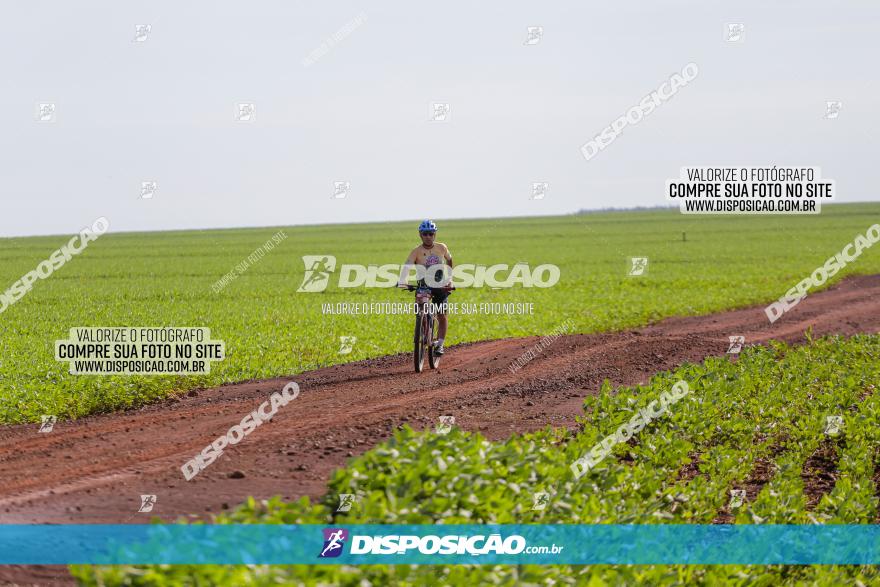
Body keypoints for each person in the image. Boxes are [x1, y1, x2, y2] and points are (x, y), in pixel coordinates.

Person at [398, 220, 453, 354]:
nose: (428, 236)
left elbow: (449, 260)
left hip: (440, 286)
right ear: (420, 235)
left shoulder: (441, 247)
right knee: (420, 311)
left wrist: (450, 280)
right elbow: (407, 266)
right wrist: (402, 280)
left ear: (435, 234)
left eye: (431, 233)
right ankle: (423, 329)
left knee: (441, 315)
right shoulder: (416, 251)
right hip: (423, 286)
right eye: (425, 234)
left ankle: (440, 344)